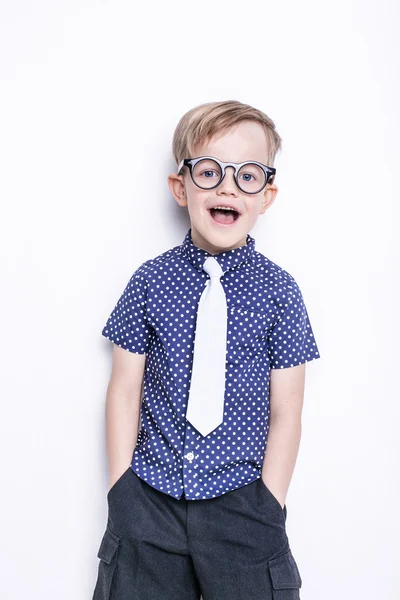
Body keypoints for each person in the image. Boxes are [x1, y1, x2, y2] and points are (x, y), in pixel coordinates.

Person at [92, 100, 321, 600]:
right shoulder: (149, 282)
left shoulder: (280, 292)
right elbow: (125, 388)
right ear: (181, 187)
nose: (227, 187)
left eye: (248, 176)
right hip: (149, 501)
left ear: (267, 195)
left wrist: (271, 502)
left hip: (243, 503)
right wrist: (121, 488)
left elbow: (288, 409)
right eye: (211, 171)